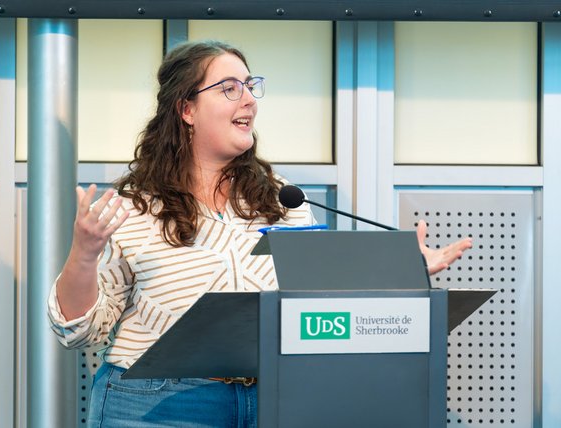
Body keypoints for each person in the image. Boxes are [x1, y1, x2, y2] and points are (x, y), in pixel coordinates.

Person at [47, 40, 472, 428]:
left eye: (250, 86)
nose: (248, 99)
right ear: (186, 110)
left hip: (272, 398)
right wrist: (84, 253)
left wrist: (400, 270)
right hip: (158, 404)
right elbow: (79, 332)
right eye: (229, 88)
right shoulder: (136, 206)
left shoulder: (281, 198)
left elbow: (317, 299)